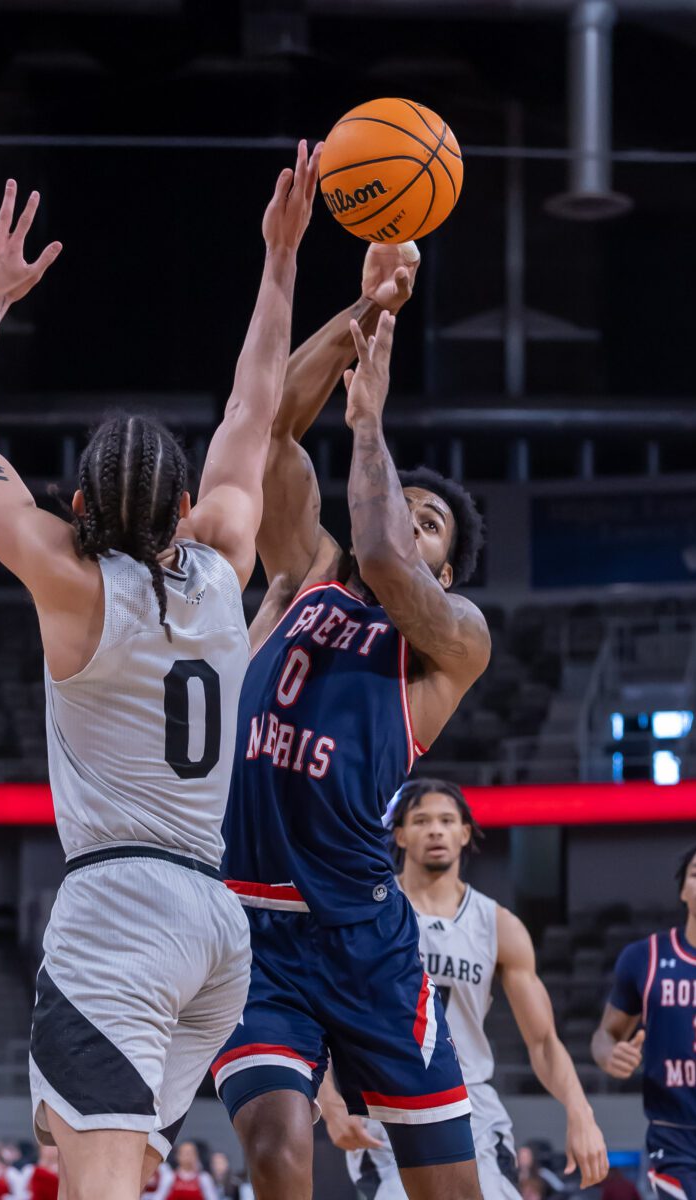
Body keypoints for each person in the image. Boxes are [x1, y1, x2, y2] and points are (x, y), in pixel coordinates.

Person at [0, 145, 321, 1200]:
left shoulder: (71, 583)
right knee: (74, 1138)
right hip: (214, 924)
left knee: (95, 1179)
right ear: (183, 512)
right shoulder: (223, 560)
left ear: (78, 512)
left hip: (121, 910)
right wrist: (279, 260)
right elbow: (252, 408)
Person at [213, 241, 491, 1200]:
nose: (409, 520)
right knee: (280, 1148)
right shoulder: (305, 573)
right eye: (406, 505)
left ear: (446, 574)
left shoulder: (453, 641)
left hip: (366, 941)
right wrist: (367, 310)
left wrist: (370, 427)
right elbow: (275, 428)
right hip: (253, 927)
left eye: (432, 522)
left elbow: (383, 550)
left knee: (446, 1189)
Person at [319, 778, 607, 1199]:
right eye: (421, 820)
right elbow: (323, 1010)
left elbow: (543, 1042)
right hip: (388, 1102)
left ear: (464, 832)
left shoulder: (499, 925)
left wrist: (581, 1112)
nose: (435, 830)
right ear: (399, 834)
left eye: (446, 820)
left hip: (472, 1104)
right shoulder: (368, 912)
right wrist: (329, 1099)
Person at [592, 840, 696, 1200]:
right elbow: (605, 1035)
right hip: (675, 1137)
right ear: (683, 889)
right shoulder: (645, 958)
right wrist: (610, 1054)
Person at [151, 1142, 216, 1200]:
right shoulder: (169, 1177)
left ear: (196, 1156)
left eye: (191, 1153)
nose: (188, 1156)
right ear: (178, 1156)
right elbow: (159, 1197)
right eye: (185, 1153)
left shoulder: (204, 1178)